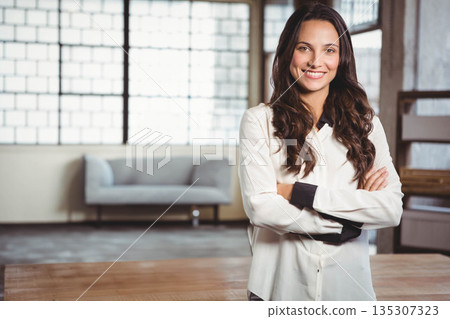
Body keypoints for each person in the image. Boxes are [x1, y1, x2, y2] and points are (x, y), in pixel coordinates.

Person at [238, 2, 403, 301]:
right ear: (289, 52)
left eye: (329, 50)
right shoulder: (258, 121)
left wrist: (299, 193)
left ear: (342, 58)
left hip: (349, 291)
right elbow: (261, 208)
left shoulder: (366, 125)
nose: (316, 61)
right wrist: (348, 219)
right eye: (304, 48)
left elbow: (391, 209)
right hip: (276, 290)